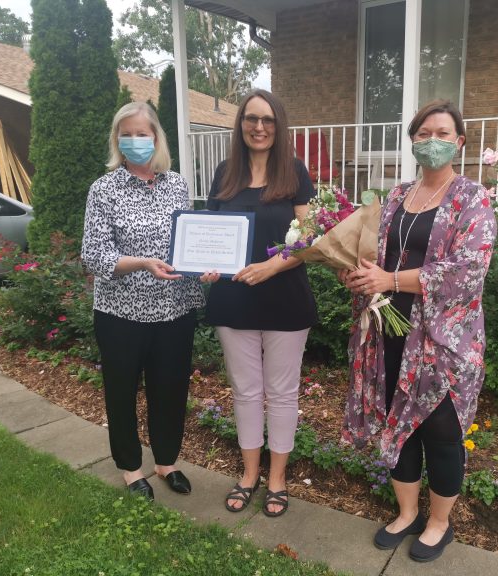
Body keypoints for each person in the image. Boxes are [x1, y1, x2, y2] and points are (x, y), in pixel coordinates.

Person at [339, 100, 497, 562]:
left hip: (444, 339)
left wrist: (390, 280)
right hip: (390, 330)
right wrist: (357, 273)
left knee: (442, 431)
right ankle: (406, 512)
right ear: (413, 140)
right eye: (424, 133)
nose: (433, 141)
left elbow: (469, 270)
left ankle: (439, 522)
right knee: (398, 424)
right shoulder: (395, 197)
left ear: (460, 142)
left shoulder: (473, 198)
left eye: (443, 133)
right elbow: (374, 255)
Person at [81, 101, 211, 501]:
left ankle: (167, 461)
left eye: (143, 133)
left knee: (170, 390)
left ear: (157, 138)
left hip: (175, 309)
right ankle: (131, 468)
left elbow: (190, 241)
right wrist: (140, 263)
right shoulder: (104, 190)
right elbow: (93, 254)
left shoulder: (176, 184)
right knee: (121, 392)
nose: (136, 140)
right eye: (128, 133)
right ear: (117, 139)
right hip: (122, 313)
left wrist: (204, 266)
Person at [202, 89, 317, 518]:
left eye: (267, 119)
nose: (259, 127)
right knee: (246, 392)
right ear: (241, 125)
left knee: (283, 394)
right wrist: (207, 266)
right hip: (233, 299)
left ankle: (278, 479)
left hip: (285, 298)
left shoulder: (294, 173)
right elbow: (210, 232)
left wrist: (271, 267)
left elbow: (311, 239)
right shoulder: (225, 173)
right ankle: (249, 474)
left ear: (278, 125)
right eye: (251, 119)